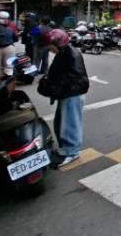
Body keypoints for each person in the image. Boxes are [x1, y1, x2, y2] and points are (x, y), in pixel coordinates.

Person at [39, 29, 89, 167]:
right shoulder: (64, 53)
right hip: (67, 93)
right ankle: (65, 148)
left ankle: (71, 152)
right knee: (61, 122)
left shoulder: (72, 54)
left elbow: (73, 78)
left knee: (70, 125)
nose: (50, 49)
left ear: (59, 44)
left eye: (51, 47)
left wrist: (53, 87)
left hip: (72, 94)